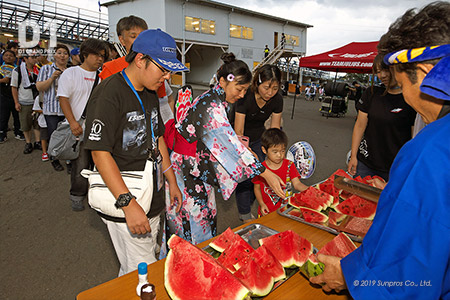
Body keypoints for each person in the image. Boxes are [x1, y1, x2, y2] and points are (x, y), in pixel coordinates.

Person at [310, 3, 450, 299]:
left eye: (400, 81)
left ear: (424, 72)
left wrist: (351, 277)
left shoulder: (430, 152)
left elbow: (405, 282)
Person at [160, 53, 286, 258]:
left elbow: (226, 140)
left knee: (205, 218)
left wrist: (245, 151)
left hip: (197, 168)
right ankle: (188, 267)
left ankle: (195, 264)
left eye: (245, 90)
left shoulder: (216, 100)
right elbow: (228, 144)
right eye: (239, 89)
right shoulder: (211, 106)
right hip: (186, 172)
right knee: (190, 225)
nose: (242, 95)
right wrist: (266, 173)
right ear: (222, 82)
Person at [84, 29, 183, 276]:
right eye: (163, 69)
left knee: (133, 266)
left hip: (151, 194)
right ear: (140, 60)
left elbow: (157, 137)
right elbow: (99, 153)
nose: (167, 76)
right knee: (145, 271)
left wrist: (172, 181)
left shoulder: (150, 91)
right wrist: (128, 204)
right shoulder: (109, 93)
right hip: (126, 196)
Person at [57, 38, 109, 211]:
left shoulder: (103, 76)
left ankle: (97, 194)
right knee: (80, 163)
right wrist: (72, 123)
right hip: (78, 126)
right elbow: (63, 99)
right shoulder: (70, 74)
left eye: (103, 56)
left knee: (100, 163)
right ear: (85, 54)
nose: (100, 59)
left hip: (98, 127)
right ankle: (77, 195)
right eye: (96, 55)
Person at [347, 54, 415, 181]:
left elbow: (414, 137)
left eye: (385, 70)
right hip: (365, 163)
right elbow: (360, 125)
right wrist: (353, 156)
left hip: (395, 167)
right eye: (378, 72)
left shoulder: (410, 99)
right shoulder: (371, 93)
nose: (382, 75)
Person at [233, 64, 284, 221]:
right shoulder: (245, 96)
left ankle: (247, 205)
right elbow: (239, 132)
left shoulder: (277, 99)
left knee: (259, 176)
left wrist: (275, 152)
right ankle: (245, 214)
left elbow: (274, 131)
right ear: (257, 82)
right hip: (239, 138)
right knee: (245, 176)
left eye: (275, 88)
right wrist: (249, 155)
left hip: (259, 137)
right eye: (266, 87)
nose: (270, 93)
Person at [253, 128, 308, 216]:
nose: (279, 155)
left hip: (286, 210)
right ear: (264, 150)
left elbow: (297, 184)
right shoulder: (261, 169)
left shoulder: (289, 165)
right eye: (275, 152)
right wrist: (261, 204)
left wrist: (311, 191)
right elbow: (257, 188)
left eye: (282, 151)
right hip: (266, 211)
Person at [36, 44, 70, 172]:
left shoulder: (70, 71)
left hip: (66, 108)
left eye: (65, 53)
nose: (62, 56)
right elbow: (39, 87)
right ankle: (54, 158)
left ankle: (68, 159)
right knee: (53, 134)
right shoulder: (46, 69)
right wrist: (52, 78)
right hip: (51, 108)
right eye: (59, 53)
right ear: (54, 55)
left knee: (67, 134)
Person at [11, 49, 41, 154]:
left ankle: (37, 142)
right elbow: (14, 87)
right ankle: (28, 142)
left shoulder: (39, 69)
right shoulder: (18, 71)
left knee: (37, 123)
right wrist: (16, 102)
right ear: (25, 59)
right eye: (32, 57)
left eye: (36, 57)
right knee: (25, 124)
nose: (35, 59)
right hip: (24, 101)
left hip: (37, 101)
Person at [0, 49, 24, 143]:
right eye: (6, 55)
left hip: (16, 96)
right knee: (3, 116)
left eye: (11, 55)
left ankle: (18, 132)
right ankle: (2, 134)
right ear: (3, 57)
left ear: (15, 58)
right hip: (3, 96)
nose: (8, 57)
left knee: (17, 116)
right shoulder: (1, 69)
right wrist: (2, 81)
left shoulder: (18, 69)